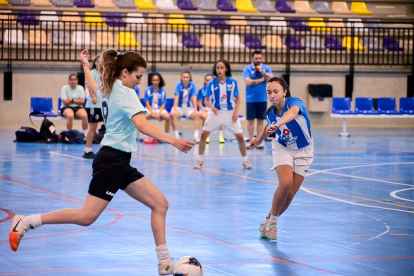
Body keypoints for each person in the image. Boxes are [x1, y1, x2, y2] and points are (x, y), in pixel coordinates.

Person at [9, 49, 194, 275]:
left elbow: (93, 87)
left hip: (118, 160)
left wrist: (86, 66)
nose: (139, 82)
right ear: (125, 72)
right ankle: (26, 221)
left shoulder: (109, 87)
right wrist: (173, 140)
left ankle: (164, 262)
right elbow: (143, 126)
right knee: (85, 216)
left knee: (160, 204)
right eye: (137, 77)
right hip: (112, 161)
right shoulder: (126, 94)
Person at [248, 76, 314, 240]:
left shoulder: (294, 103)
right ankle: (274, 223)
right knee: (285, 183)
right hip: (282, 148)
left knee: (291, 193)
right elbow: (267, 128)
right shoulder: (270, 113)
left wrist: (277, 124)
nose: (272, 95)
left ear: (284, 92)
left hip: (304, 150)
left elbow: (292, 114)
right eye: (269, 92)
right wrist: (258, 141)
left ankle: (266, 221)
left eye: (276, 91)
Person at [194, 59, 252, 170]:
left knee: (240, 137)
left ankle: (245, 161)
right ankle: (199, 160)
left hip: (230, 113)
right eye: (217, 68)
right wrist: (212, 108)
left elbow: (238, 98)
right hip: (216, 113)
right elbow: (206, 100)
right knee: (203, 135)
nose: (219, 70)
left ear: (226, 69)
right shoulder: (212, 83)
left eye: (222, 67)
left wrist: (235, 113)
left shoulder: (232, 81)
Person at [242, 50, 273, 149]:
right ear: (252, 58)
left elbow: (271, 78)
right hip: (251, 99)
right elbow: (248, 82)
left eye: (260, 58)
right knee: (251, 121)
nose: (258, 60)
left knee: (260, 121)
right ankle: (251, 140)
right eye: (256, 58)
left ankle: (259, 141)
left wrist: (262, 72)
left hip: (262, 98)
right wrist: (262, 79)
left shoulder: (266, 68)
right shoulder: (247, 69)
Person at [170, 71, 201, 143]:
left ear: (189, 78)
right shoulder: (178, 85)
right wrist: (174, 109)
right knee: (173, 115)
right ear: (181, 78)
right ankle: (176, 136)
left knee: (197, 115)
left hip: (188, 108)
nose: (185, 79)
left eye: (187, 77)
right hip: (179, 108)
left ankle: (196, 136)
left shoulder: (192, 85)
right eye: (184, 77)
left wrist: (196, 110)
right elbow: (176, 98)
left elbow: (194, 98)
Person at [83, 54, 103, 159]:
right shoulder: (92, 73)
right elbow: (89, 86)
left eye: (101, 61)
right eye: (98, 61)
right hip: (93, 104)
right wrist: (93, 97)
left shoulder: (104, 74)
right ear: (95, 62)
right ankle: (88, 150)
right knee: (92, 128)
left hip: (103, 104)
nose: (99, 63)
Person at [143, 73, 170, 144]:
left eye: (157, 80)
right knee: (143, 117)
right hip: (149, 109)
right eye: (154, 80)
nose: (155, 82)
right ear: (151, 81)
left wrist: (158, 113)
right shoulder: (147, 90)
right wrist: (151, 113)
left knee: (167, 117)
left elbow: (164, 104)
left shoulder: (163, 91)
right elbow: (147, 102)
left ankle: (166, 136)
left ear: (159, 81)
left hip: (159, 109)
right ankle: (145, 136)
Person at [197, 74, 225, 144]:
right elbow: (197, 101)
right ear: (204, 81)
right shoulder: (201, 89)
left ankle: (221, 136)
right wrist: (202, 108)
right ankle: (206, 136)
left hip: (214, 107)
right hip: (205, 108)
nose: (208, 81)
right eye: (207, 80)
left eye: (210, 80)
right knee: (205, 117)